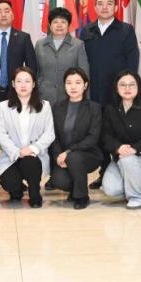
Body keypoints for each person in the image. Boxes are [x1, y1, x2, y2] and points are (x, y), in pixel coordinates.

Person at [100, 70, 141, 209]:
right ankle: (134, 184)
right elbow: (105, 135)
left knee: (128, 159)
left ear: (138, 87)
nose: (127, 88)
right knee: (110, 189)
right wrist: (118, 148)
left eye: (131, 85)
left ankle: (138, 197)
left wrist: (135, 149)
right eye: (123, 85)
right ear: (116, 88)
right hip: (121, 157)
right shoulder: (110, 109)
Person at [0, 66, 55, 207]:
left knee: (30, 162)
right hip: (12, 156)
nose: (23, 85)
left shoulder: (44, 106)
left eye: (27, 81)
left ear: (33, 84)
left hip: (34, 156)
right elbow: (0, 134)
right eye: (19, 81)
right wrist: (17, 152)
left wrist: (33, 148)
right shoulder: (3, 107)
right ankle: (18, 190)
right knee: (9, 183)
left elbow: (49, 133)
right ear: (13, 84)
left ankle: (35, 195)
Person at [49, 68, 102, 209]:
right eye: (69, 83)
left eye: (78, 82)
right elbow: (54, 136)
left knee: (74, 157)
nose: (73, 87)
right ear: (64, 85)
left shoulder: (94, 108)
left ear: (85, 85)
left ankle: (82, 196)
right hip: (63, 155)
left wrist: (68, 152)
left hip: (88, 155)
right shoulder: (57, 107)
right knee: (58, 180)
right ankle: (75, 189)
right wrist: (58, 156)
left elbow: (93, 137)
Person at [79, 0, 140, 105]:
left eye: (109, 4)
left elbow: (132, 60)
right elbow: (81, 59)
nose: (104, 7)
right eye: (100, 4)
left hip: (117, 89)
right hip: (92, 89)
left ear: (116, 8)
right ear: (95, 8)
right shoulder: (87, 30)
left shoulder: (126, 30)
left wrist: (128, 85)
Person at [35, 7, 89, 105]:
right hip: (44, 97)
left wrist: (85, 100)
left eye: (63, 22)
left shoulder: (78, 45)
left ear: (69, 25)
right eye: (55, 22)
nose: (59, 25)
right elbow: (36, 72)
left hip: (70, 96)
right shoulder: (39, 44)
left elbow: (84, 74)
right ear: (50, 25)